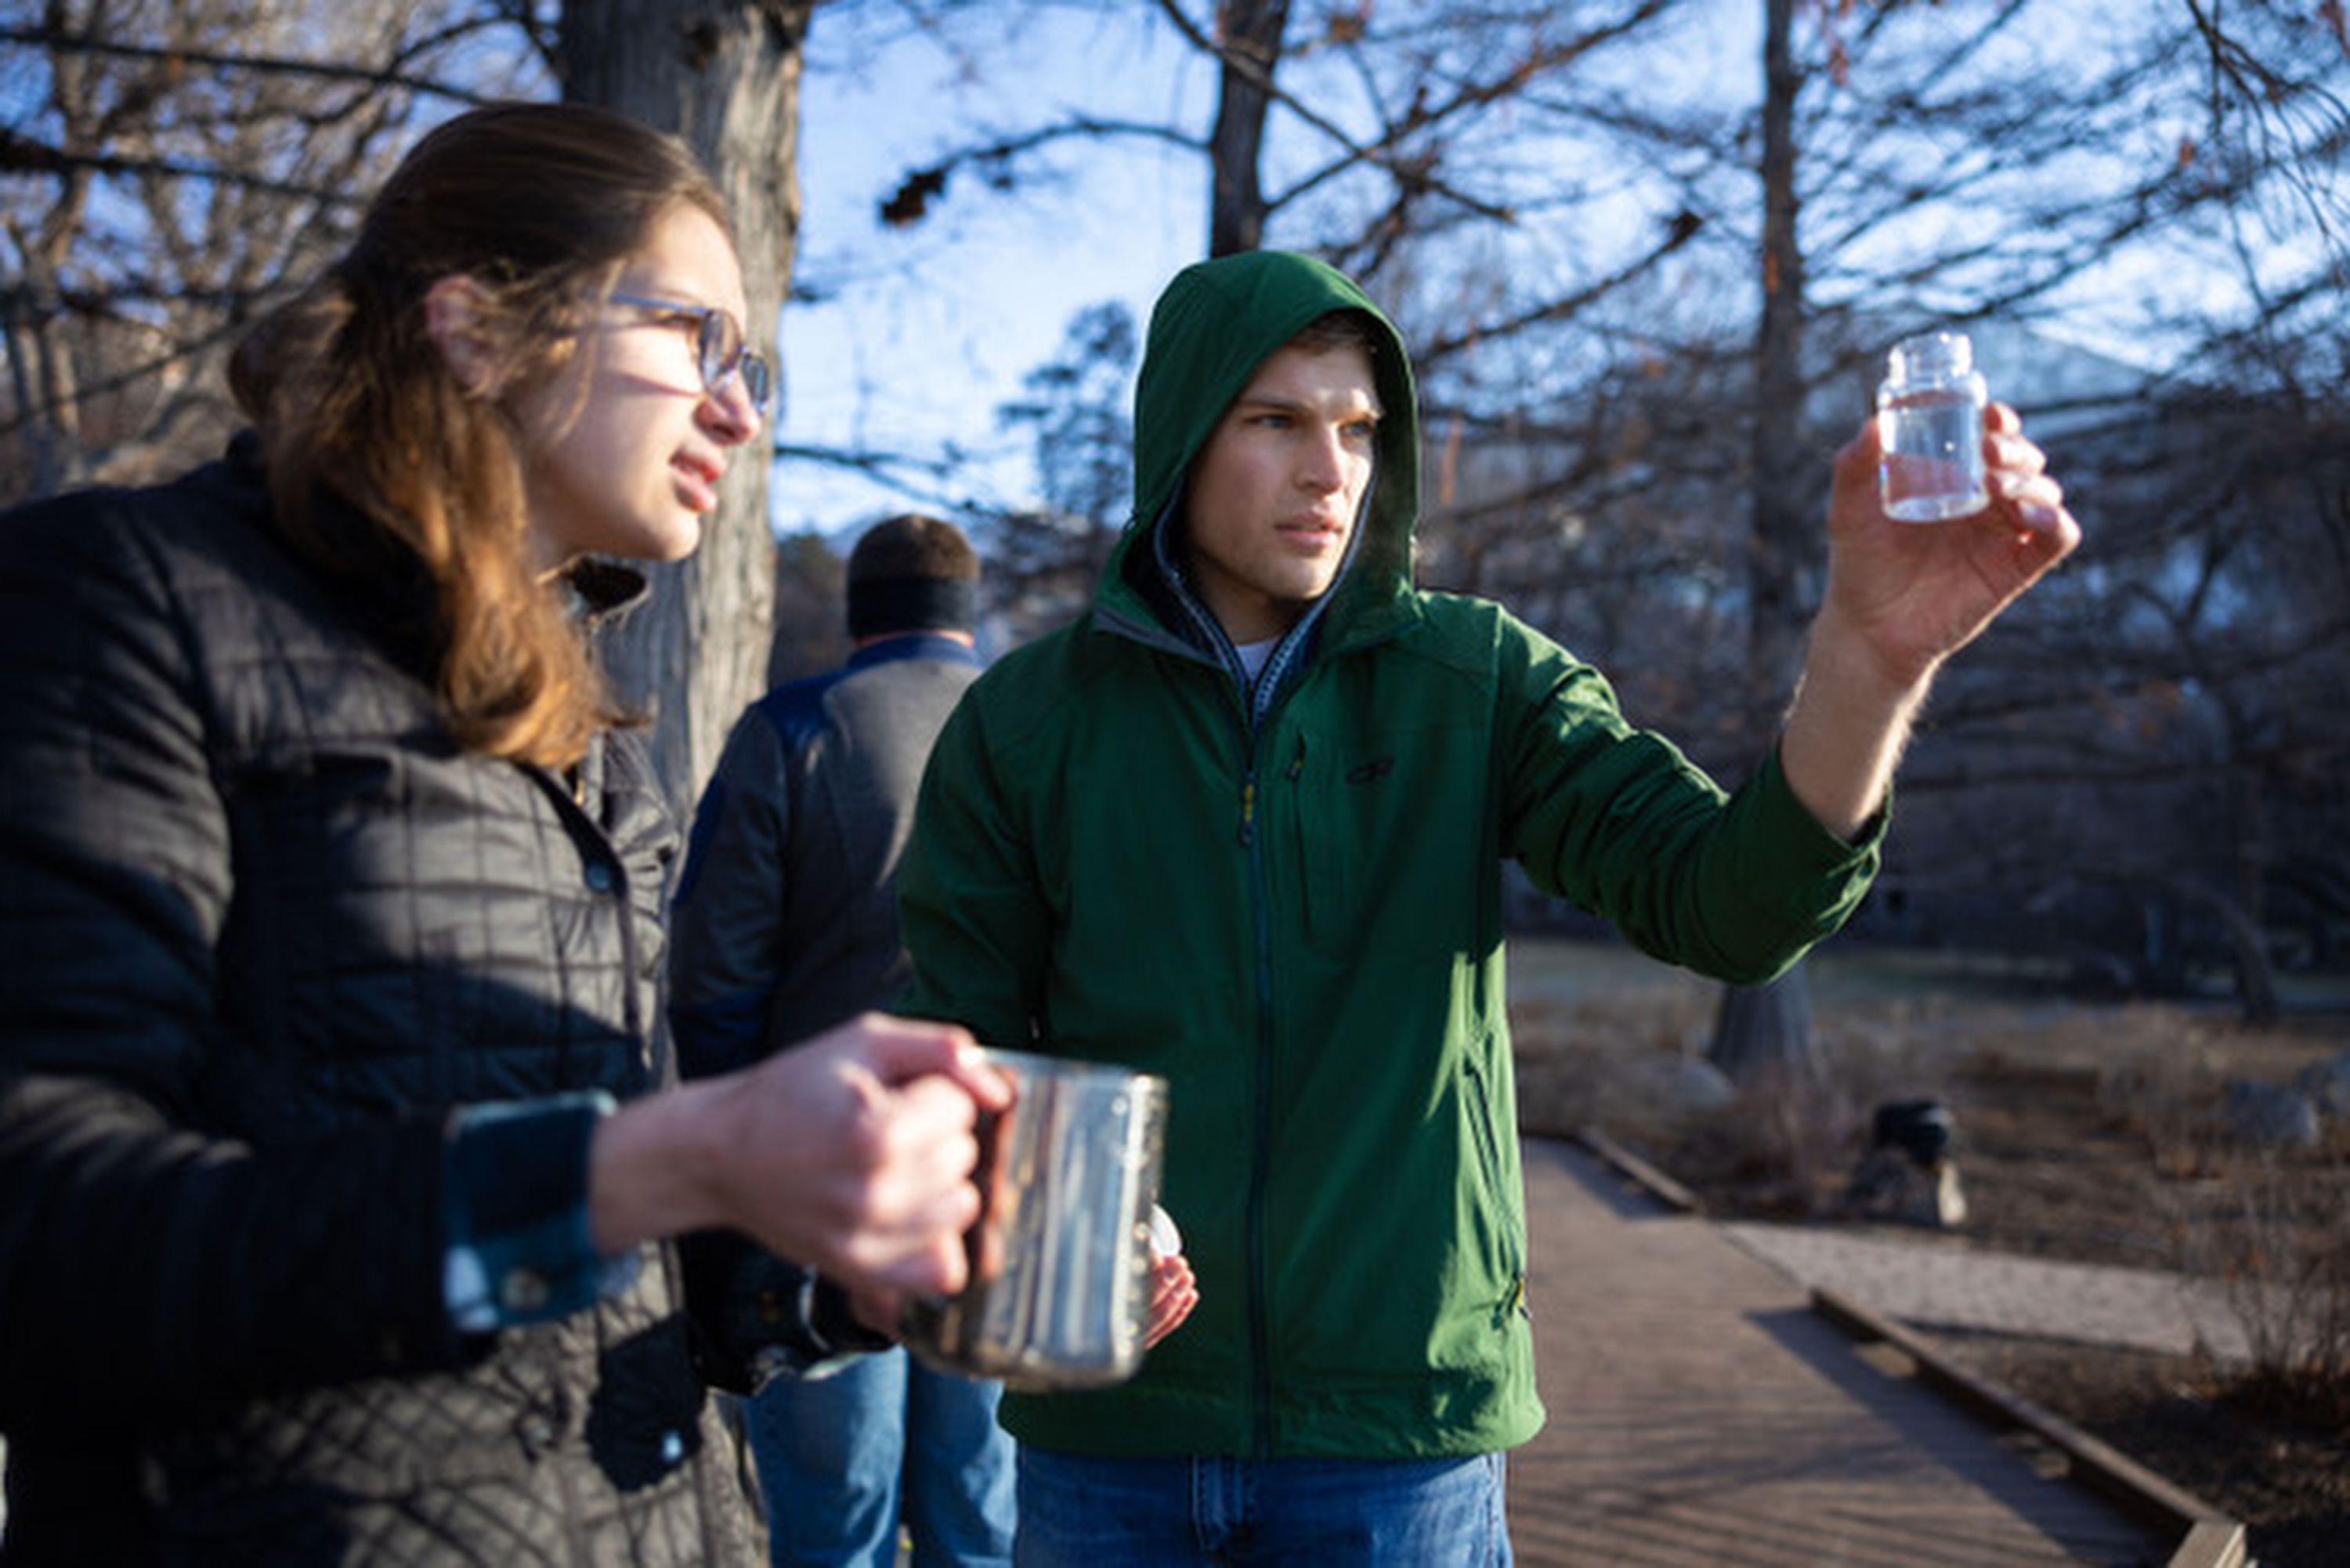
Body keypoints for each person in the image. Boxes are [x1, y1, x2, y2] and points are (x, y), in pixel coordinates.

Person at [895, 248, 2081, 1563]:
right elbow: (956, 1044)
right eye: (1275, 420)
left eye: (1357, 428)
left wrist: (1871, 652)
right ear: (1180, 432)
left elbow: (1728, 909)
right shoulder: (1025, 720)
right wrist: (1076, 1197)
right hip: (1105, 1434)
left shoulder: (1479, 679)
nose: (1329, 468)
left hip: (1402, 1443)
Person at [0, 103, 1009, 1567]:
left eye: (753, 365)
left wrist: (866, 1262)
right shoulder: (120, 601)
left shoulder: (590, 749)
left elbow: (641, 1278)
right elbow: (48, 1236)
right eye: (693, 339)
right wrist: (677, 1150)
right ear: (478, 329)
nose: (738, 408)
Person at [667, 514, 1016, 1567]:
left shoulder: (795, 729)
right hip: (999, 1181)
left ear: (862, 611)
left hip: (819, 1184)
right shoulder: (1034, 734)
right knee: (978, 1515)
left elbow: (712, 974)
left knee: (835, 1527)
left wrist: (731, 1163)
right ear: (962, 610)